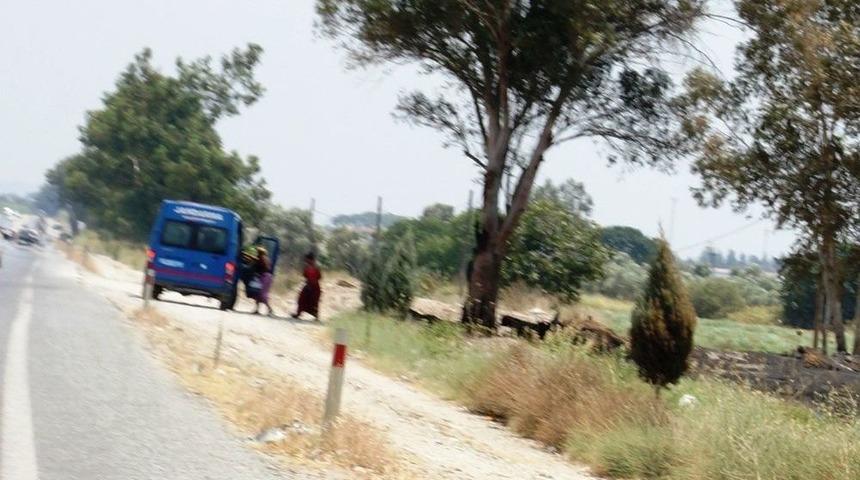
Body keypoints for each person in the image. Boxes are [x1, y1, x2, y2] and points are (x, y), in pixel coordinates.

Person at [293, 252, 322, 320]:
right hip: (308, 285)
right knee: (302, 299)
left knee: (314, 301)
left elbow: (319, 277)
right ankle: (298, 313)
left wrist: (312, 281)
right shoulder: (307, 267)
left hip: (315, 287)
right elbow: (305, 276)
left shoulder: (316, 267)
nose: (306, 261)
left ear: (311, 259)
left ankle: (316, 316)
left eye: (307, 259)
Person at [253, 246, 275, 317]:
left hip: (264, 277)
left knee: (262, 294)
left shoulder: (261, 259)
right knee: (259, 294)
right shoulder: (265, 259)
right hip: (267, 277)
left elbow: (257, 267)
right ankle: (257, 309)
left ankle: (270, 309)